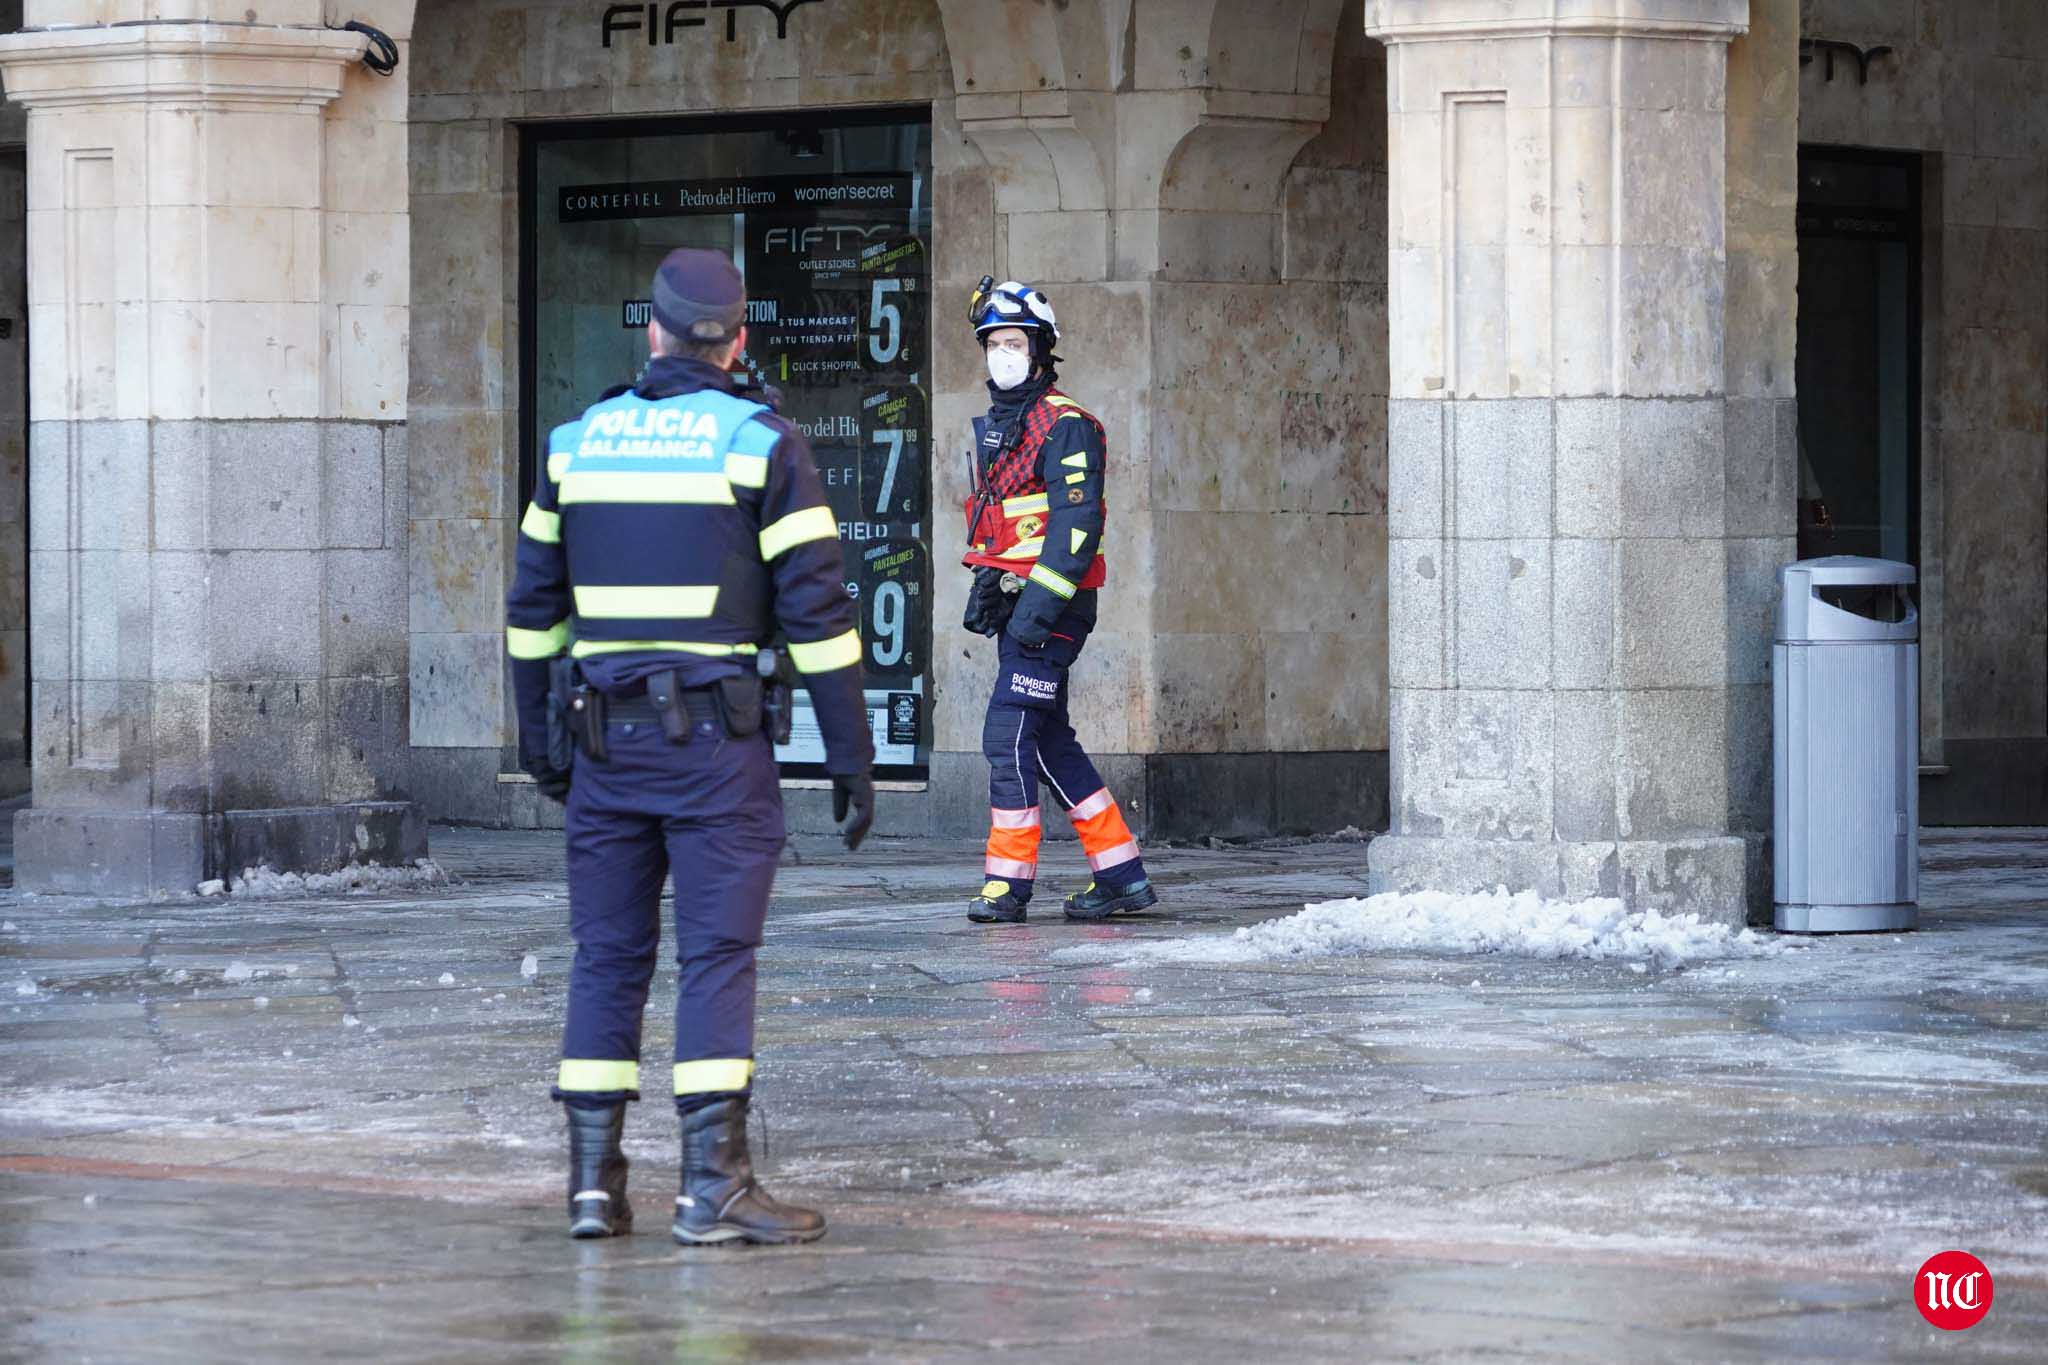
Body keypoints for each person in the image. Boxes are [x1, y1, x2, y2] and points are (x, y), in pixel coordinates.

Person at [505, 248, 876, 1245]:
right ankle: (710, 1187)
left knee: (606, 957)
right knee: (716, 956)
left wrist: (540, 742)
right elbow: (819, 613)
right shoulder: (760, 442)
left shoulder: (574, 444)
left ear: (653, 332)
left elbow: (530, 614)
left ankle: (593, 1186)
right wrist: (851, 755)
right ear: (738, 342)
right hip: (717, 748)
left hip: (603, 747)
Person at [959, 278, 1158, 925]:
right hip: (1023, 608)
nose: (1002, 354)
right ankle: (1121, 875)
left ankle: (1006, 885)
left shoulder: (1067, 426)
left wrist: (1033, 614)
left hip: (1052, 610)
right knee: (1048, 743)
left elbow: (1074, 534)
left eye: (1014, 342)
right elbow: (1008, 523)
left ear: (1041, 350)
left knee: (1007, 733)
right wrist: (990, 586)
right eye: (993, 343)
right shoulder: (1002, 426)